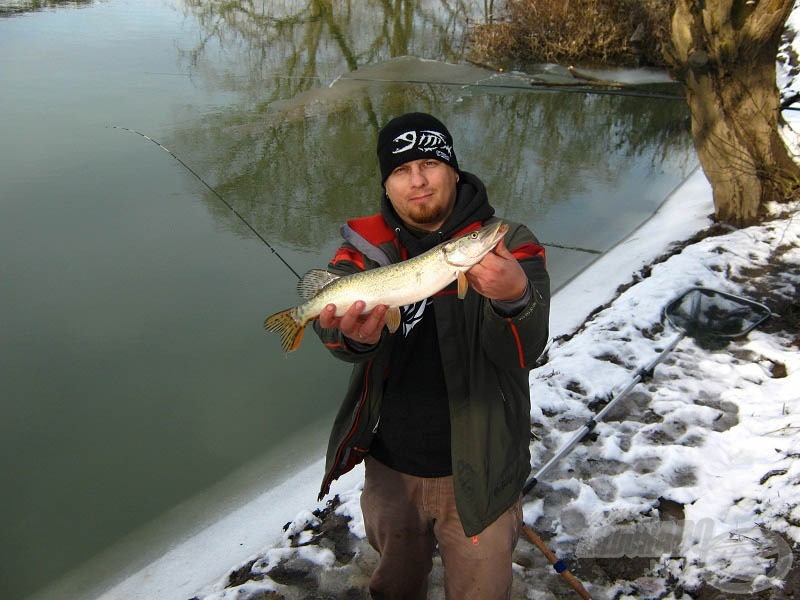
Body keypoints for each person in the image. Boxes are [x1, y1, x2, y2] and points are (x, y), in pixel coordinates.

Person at [312, 112, 550, 599]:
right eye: (401, 170)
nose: (416, 181)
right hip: (391, 469)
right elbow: (336, 339)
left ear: (454, 171)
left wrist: (514, 297)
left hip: (483, 467)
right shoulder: (365, 250)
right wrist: (353, 336)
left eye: (429, 164)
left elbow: (528, 346)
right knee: (395, 588)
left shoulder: (506, 242)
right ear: (387, 183)